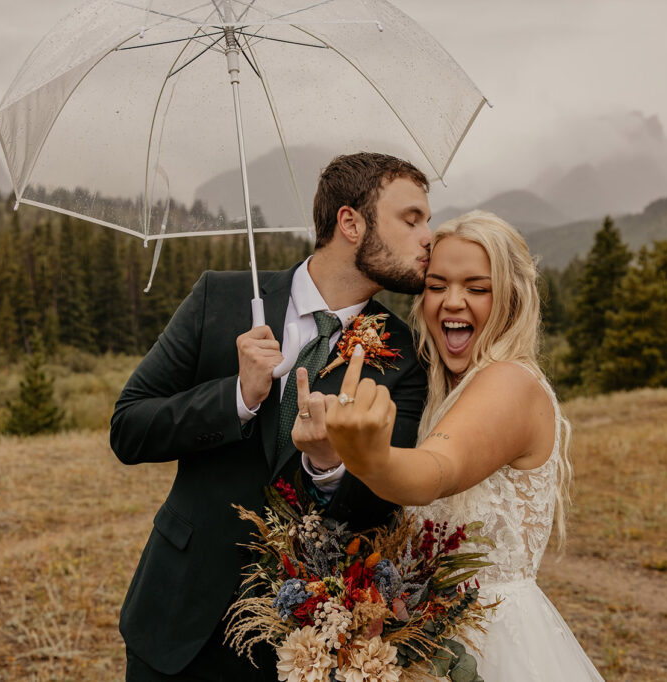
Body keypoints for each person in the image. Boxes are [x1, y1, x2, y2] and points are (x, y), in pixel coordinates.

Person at [110, 152, 431, 681]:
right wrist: (237, 394)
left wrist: (328, 466)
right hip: (175, 622)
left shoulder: (404, 354)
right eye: (411, 219)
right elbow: (128, 427)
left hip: (300, 645)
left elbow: (383, 504)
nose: (427, 238)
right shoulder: (220, 297)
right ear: (351, 223)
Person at [322, 210, 604, 680]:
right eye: (437, 286)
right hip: (432, 633)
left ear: (512, 299)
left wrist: (370, 456)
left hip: (492, 641)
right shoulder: (445, 390)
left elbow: (438, 470)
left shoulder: (509, 382)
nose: (452, 302)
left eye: (477, 288)